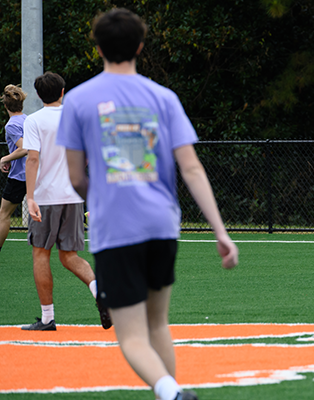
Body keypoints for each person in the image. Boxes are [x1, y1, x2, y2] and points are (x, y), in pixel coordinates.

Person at [57, 9, 239, 400]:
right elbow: (191, 167)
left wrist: (104, 198)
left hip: (116, 228)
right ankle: (171, 393)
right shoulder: (163, 97)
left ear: (97, 47)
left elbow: (75, 177)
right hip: (162, 225)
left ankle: (171, 392)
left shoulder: (78, 100)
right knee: (158, 324)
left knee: (132, 335)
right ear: (140, 46)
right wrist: (220, 232)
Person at [21, 72, 112, 331]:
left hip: (46, 197)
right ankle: (100, 293)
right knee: (69, 256)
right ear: (63, 92)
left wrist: (30, 197)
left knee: (41, 254)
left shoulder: (34, 120)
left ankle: (48, 318)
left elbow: (33, 159)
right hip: (73, 196)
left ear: (38, 95)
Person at [0, 85, 28, 252]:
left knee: (3, 214)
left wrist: (5, 158)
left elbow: (24, 148)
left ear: (5, 106)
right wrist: (12, 158)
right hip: (37, 172)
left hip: (20, 177)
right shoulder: (28, 119)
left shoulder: (11, 125)